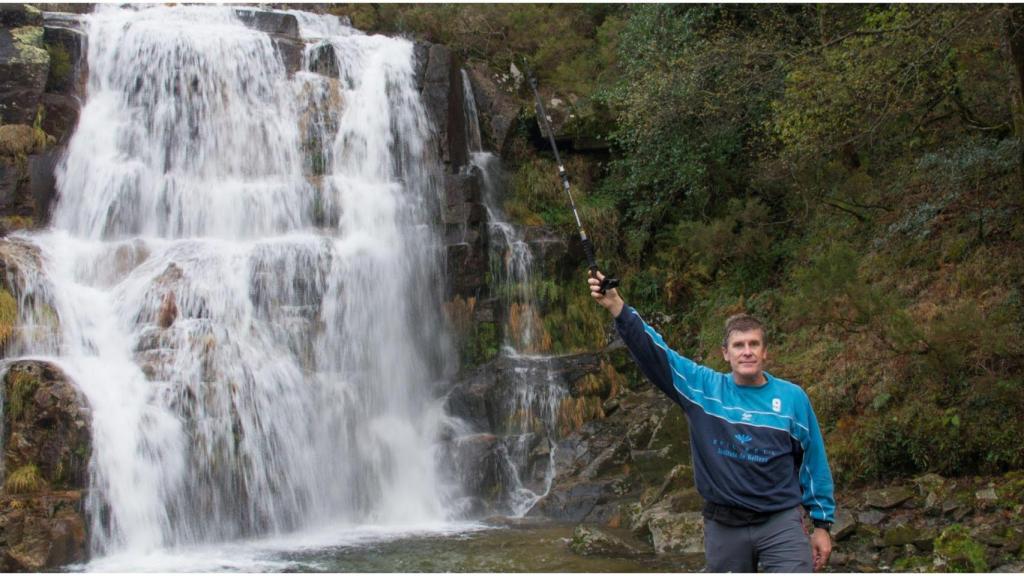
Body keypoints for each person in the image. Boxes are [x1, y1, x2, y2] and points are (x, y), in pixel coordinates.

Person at [589, 271, 835, 572]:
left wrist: (822, 524)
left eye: (754, 344)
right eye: (739, 345)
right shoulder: (703, 389)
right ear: (725, 353)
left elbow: (813, 461)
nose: (747, 352)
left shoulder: (792, 398)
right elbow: (657, 354)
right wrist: (617, 306)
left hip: (780, 521)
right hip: (724, 524)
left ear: (765, 352)